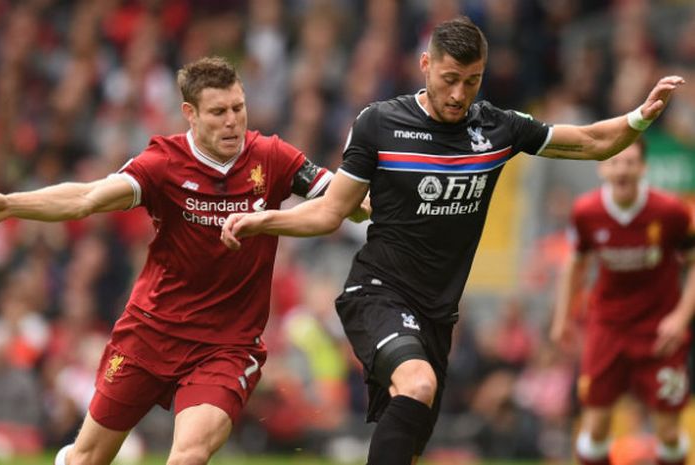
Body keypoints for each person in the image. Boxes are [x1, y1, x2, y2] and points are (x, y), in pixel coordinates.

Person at [220, 16, 686, 465]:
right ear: (425, 65)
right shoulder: (379, 123)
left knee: (411, 438)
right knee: (417, 385)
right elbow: (331, 211)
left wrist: (640, 117)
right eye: (449, 79)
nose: (459, 94)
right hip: (378, 292)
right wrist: (264, 221)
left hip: (438, 315)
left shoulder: (497, 128)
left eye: (472, 80)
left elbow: (590, 141)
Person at [0, 56, 365, 465]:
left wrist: (364, 201)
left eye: (238, 109)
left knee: (188, 456)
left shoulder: (272, 157)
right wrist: (10, 204)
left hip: (227, 344)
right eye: (218, 112)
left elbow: (344, 202)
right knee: (86, 459)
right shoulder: (162, 164)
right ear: (190, 114)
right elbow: (87, 197)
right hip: (151, 332)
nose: (232, 122)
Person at [550, 140, 695, 465]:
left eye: (630, 162)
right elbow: (576, 263)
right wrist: (562, 321)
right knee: (597, 426)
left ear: (643, 168)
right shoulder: (587, 212)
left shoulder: (670, 212)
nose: (622, 170)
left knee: (669, 432)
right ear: (603, 168)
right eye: (615, 163)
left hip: (659, 330)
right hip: (608, 328)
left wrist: (681, 318)